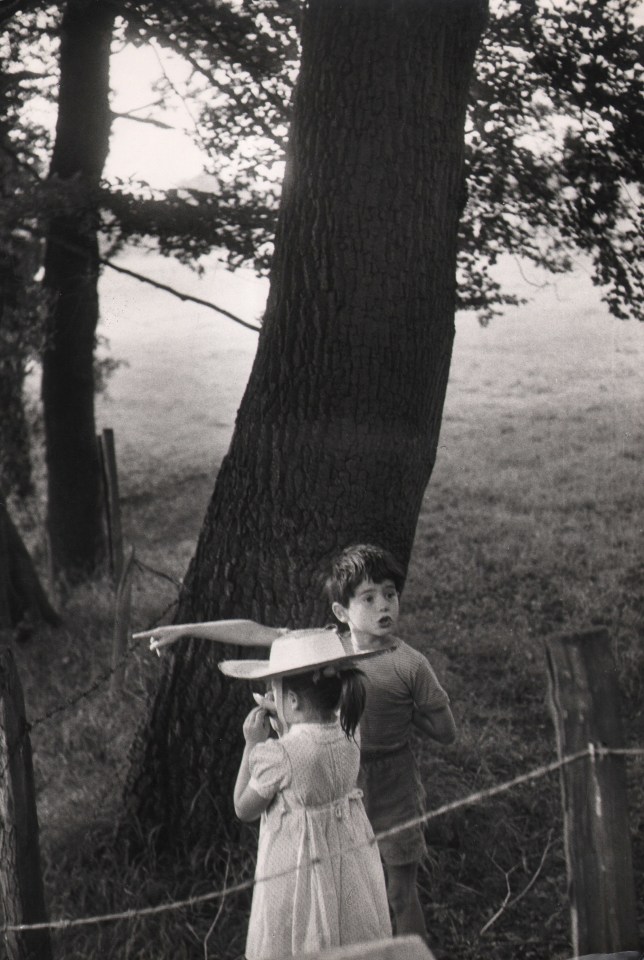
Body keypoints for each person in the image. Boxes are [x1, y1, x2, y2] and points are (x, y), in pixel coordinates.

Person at [219, 627, 392, 959]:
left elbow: (244, 808)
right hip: (348, 855)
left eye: (276, 691)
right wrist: (288, 718)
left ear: (293, 702)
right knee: (347, 923)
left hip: (297, 865)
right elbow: (314, 742)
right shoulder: (350, 729)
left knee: (298, 929)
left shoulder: (279, 755)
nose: (272, 696)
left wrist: (252, 744)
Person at [324, 543, 456, 943]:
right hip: (343, 781)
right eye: (369, 597)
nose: (384, 605)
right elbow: (269, 638)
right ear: (341, 613)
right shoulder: (328, 653)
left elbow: (446, 732)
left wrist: (410, 709)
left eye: (390, 594)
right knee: (347, 891)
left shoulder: (410, 664)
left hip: (395, 784)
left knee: (400, 892)